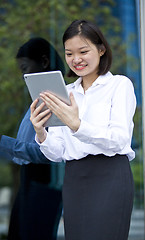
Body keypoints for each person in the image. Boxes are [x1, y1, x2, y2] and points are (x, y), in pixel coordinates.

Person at [30, 20, 137, 240]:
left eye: (83, 51)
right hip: (75, 178)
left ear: (101, 49)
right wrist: (41, 132)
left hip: (110, 174)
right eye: (69, 53)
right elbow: (58, 152)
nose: (76, 59)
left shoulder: (119, 85)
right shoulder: (64, 92)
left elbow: (118, 140)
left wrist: (77, 125)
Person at [0, 37, 65, 240]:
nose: (24, 76)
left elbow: (47, 153)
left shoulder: (58, 103)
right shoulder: (38, 102)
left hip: (43, 184)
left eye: (25, 68)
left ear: (44, 62)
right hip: (30, 183)